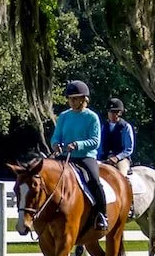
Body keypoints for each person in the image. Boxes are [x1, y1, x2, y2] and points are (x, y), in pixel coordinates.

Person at [50, 80, 107, 232]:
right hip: (65, 156)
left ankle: (102, 214)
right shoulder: (63, 116)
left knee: (94, 181)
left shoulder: (92, 117)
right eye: (70, 98)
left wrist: (77, 145)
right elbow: (56, 136)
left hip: (85, 157)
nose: (72, 102)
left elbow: (95, 141)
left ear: (84, 99)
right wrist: (56, 144)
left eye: (75, 98)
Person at [101, 100, 136, 176]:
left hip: (121, 159)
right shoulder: (104, 127)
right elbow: (100, 145)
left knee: (121, 176)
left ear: (120, 113)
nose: (113, 115)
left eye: (116, 112)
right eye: (111, 112)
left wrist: (117, 157)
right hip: (105, 158)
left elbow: (128, 149)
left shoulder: (126, 127)